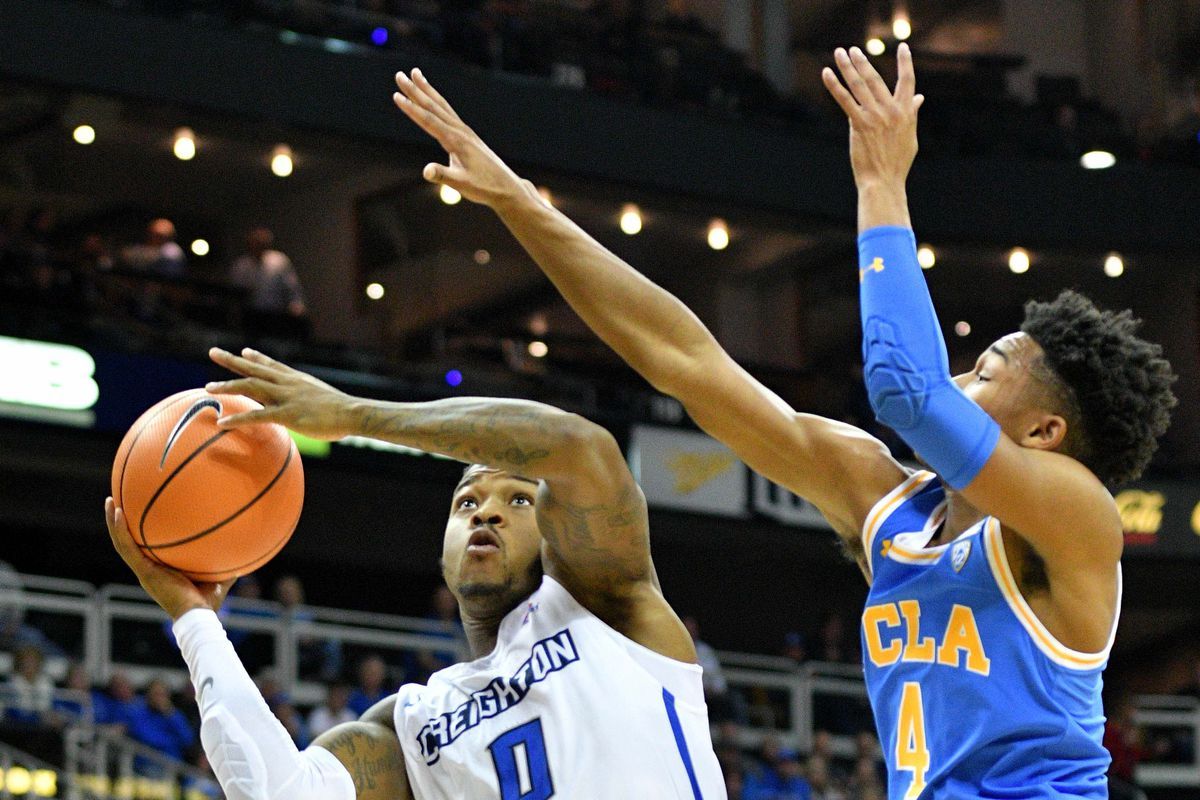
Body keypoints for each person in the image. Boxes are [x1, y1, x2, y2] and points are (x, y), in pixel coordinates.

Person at [390, 54, 1177, 799]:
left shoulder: (1076, 517)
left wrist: (880, 181)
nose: (959, 376)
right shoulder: (886, 504)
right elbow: (684, 360)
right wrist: (520, 203)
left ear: (1043, 433)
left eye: (986, 372)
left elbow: (907, 390)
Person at [104, 344, 725, 799]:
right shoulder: (412, 726)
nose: (486, 511)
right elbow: (279, 793)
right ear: (442, 555)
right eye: (466, 502)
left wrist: (356, 415)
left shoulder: (613, 612)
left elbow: (583, 449)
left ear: (558, 531)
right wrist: (194, 618)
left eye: (518, 499)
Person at [229, 227, 307, 319]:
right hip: (250, 315)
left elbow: (292, 288)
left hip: (275, 314)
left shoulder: (279, 261)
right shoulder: (241, 265)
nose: (259, 246)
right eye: (256, 242)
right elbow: (235, 293)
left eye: (262, 243)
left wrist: (297, 306)